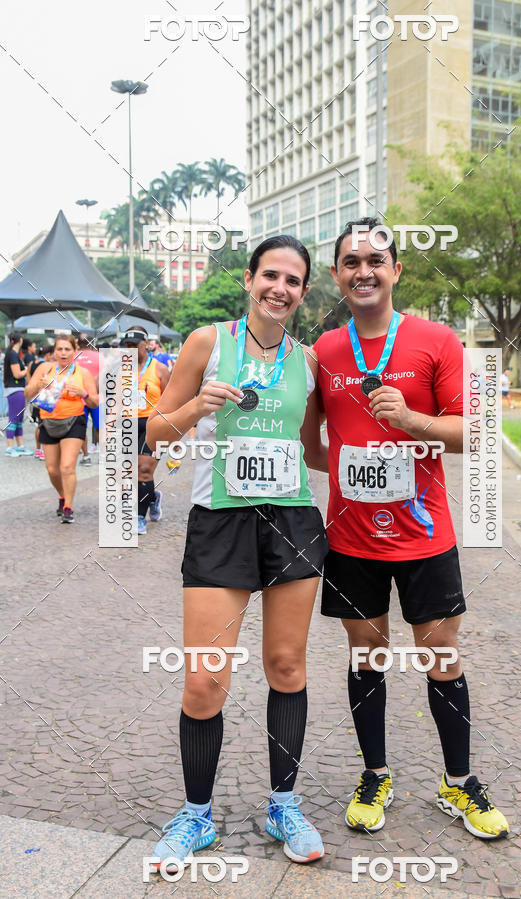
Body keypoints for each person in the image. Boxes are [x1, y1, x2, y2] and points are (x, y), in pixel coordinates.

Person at [302, 218, 509, 841]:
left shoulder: (437, 340)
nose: (363, 270)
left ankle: (460, 783)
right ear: (337, 276)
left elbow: (476, 433)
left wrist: (415, 419)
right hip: (352, 538)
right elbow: (312, 445)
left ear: (396, 270)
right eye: (350, 261)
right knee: (367, 658)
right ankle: (375, 773)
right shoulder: (324, 352)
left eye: (375, 259)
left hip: (425, 537)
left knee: (441, 658)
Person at [145, 235, 328, 870]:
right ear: (250, 280)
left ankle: (284, 802)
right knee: (204, 679)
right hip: (220, 521)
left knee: (285, 665)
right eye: (271, 275)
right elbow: (153, 431)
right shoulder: (207, 342)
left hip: (293, 521)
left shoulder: (307, 362)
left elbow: (312, 449)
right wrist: (198, 405)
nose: (281, 288)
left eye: (294, 281)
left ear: (304, 293)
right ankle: (196, 817)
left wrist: (394, 450)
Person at [24, 334, 99, 522]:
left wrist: (84, 393)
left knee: (66, 466)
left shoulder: (83, 373)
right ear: (54, 351)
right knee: (52, 470)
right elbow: (28, 393)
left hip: (74, 421)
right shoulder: (44, 368)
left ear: (75, 351)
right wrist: (38, 387)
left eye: (67, 349)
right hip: (48, 422)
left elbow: (95, 402)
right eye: (60, 349)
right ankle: (62, 495)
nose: (63, 353)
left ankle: (68, 507)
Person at [119, 328, 170, 534]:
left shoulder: (160, 369)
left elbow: (171, 400)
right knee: (131, 473)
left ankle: (139, 516)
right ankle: (153, 497)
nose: (130, 350)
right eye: (127, 346)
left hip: (153, 425)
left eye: (135, 345)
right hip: (128, 423)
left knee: (144, 469)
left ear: (145, 344)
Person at [3, 331, 33, 456]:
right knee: (14, 418)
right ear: (20, 340)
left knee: (19, 419)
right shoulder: (13, 355)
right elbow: (17, 374)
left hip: (17, 390)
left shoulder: (12, 354)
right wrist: (26, 369)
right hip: (15, 390)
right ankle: (10, 447)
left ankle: (20, 446)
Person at [76, 333, 100, 465]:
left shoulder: (72, 357)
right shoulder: (100, 356)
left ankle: (86, 457)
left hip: (79, 398)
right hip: (97, 397)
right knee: (100, 428)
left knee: (81, 428)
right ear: (91, 343)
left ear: (78, 343)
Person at [30, 345, 54, 459]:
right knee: (46, 425)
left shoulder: (31, 364)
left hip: (36, 398)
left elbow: (29, 382)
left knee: (39, 425)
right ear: (48, 354)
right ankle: (45, 451)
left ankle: (38, 450)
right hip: (46, 398)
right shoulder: (47, 366)